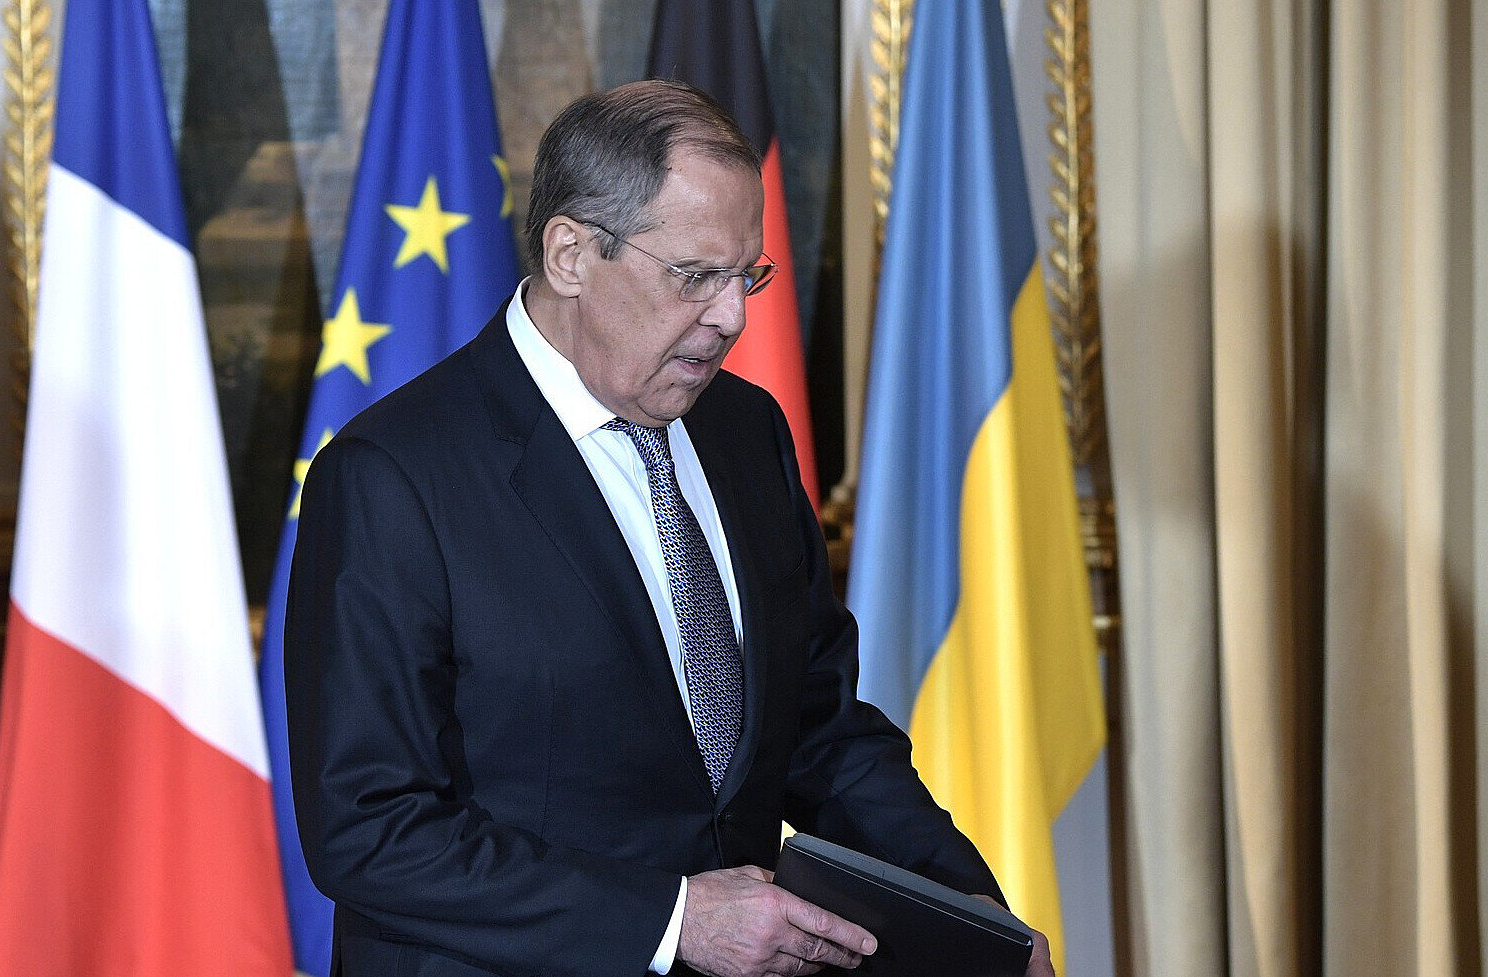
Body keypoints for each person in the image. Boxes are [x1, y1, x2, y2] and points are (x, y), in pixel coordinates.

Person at [286, 79, 1053, 977]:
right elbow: (369, 829)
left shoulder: (746, 431)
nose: (732, 317)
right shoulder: (393, 474)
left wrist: (967, 913)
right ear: (571, 254)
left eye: (747, 275)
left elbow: (819, 728)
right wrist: (672, 919)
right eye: (694, 276)